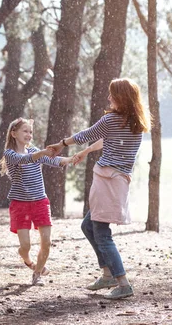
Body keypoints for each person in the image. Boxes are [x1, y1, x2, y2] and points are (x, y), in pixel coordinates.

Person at [47, 78, 150, 299]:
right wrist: (85, 152)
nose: (109, 98)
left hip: (107, 180)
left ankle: (122, 283)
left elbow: (86, 134)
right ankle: (107, 274)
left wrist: (61, 144)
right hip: (118, 181)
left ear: (121, 97)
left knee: (101, 233)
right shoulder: (134, 123)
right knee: (88, 226)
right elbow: (105, 139)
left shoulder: (112, 119)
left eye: (112, 94)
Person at [0, 117, 72, 286]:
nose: (29, 134)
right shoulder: (10, 154)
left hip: (40, 202)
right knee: (26, 246)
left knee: (46, 243)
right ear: (14, 133)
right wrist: (42, 153)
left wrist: (70, 159)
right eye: (25, 131)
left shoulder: (36, 152)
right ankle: (27, 260)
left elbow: (53, 160)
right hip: (20, 204)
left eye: (30, 132)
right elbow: (25, 160)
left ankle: (37, 273)